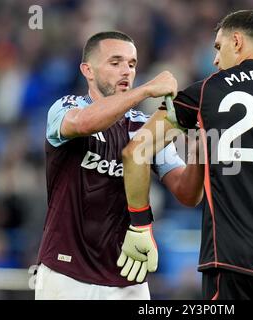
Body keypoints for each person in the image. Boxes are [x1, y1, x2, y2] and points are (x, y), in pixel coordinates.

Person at [121, 10, 253, 300]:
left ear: (237, 41)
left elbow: (136, 151)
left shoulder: (207, 91)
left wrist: (140, 224)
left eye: (218, 48)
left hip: (230, 261)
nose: (216, 60)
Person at [35, 31, 204, 300]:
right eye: (115, 63)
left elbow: (186, 193)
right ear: (87, 70)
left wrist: (200, 153)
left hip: (127, 275)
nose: (126, 70)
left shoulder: (143, 127)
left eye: (132, 64)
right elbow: (83, 124)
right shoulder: (65, 107)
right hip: (65, 272)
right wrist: (145, 91)